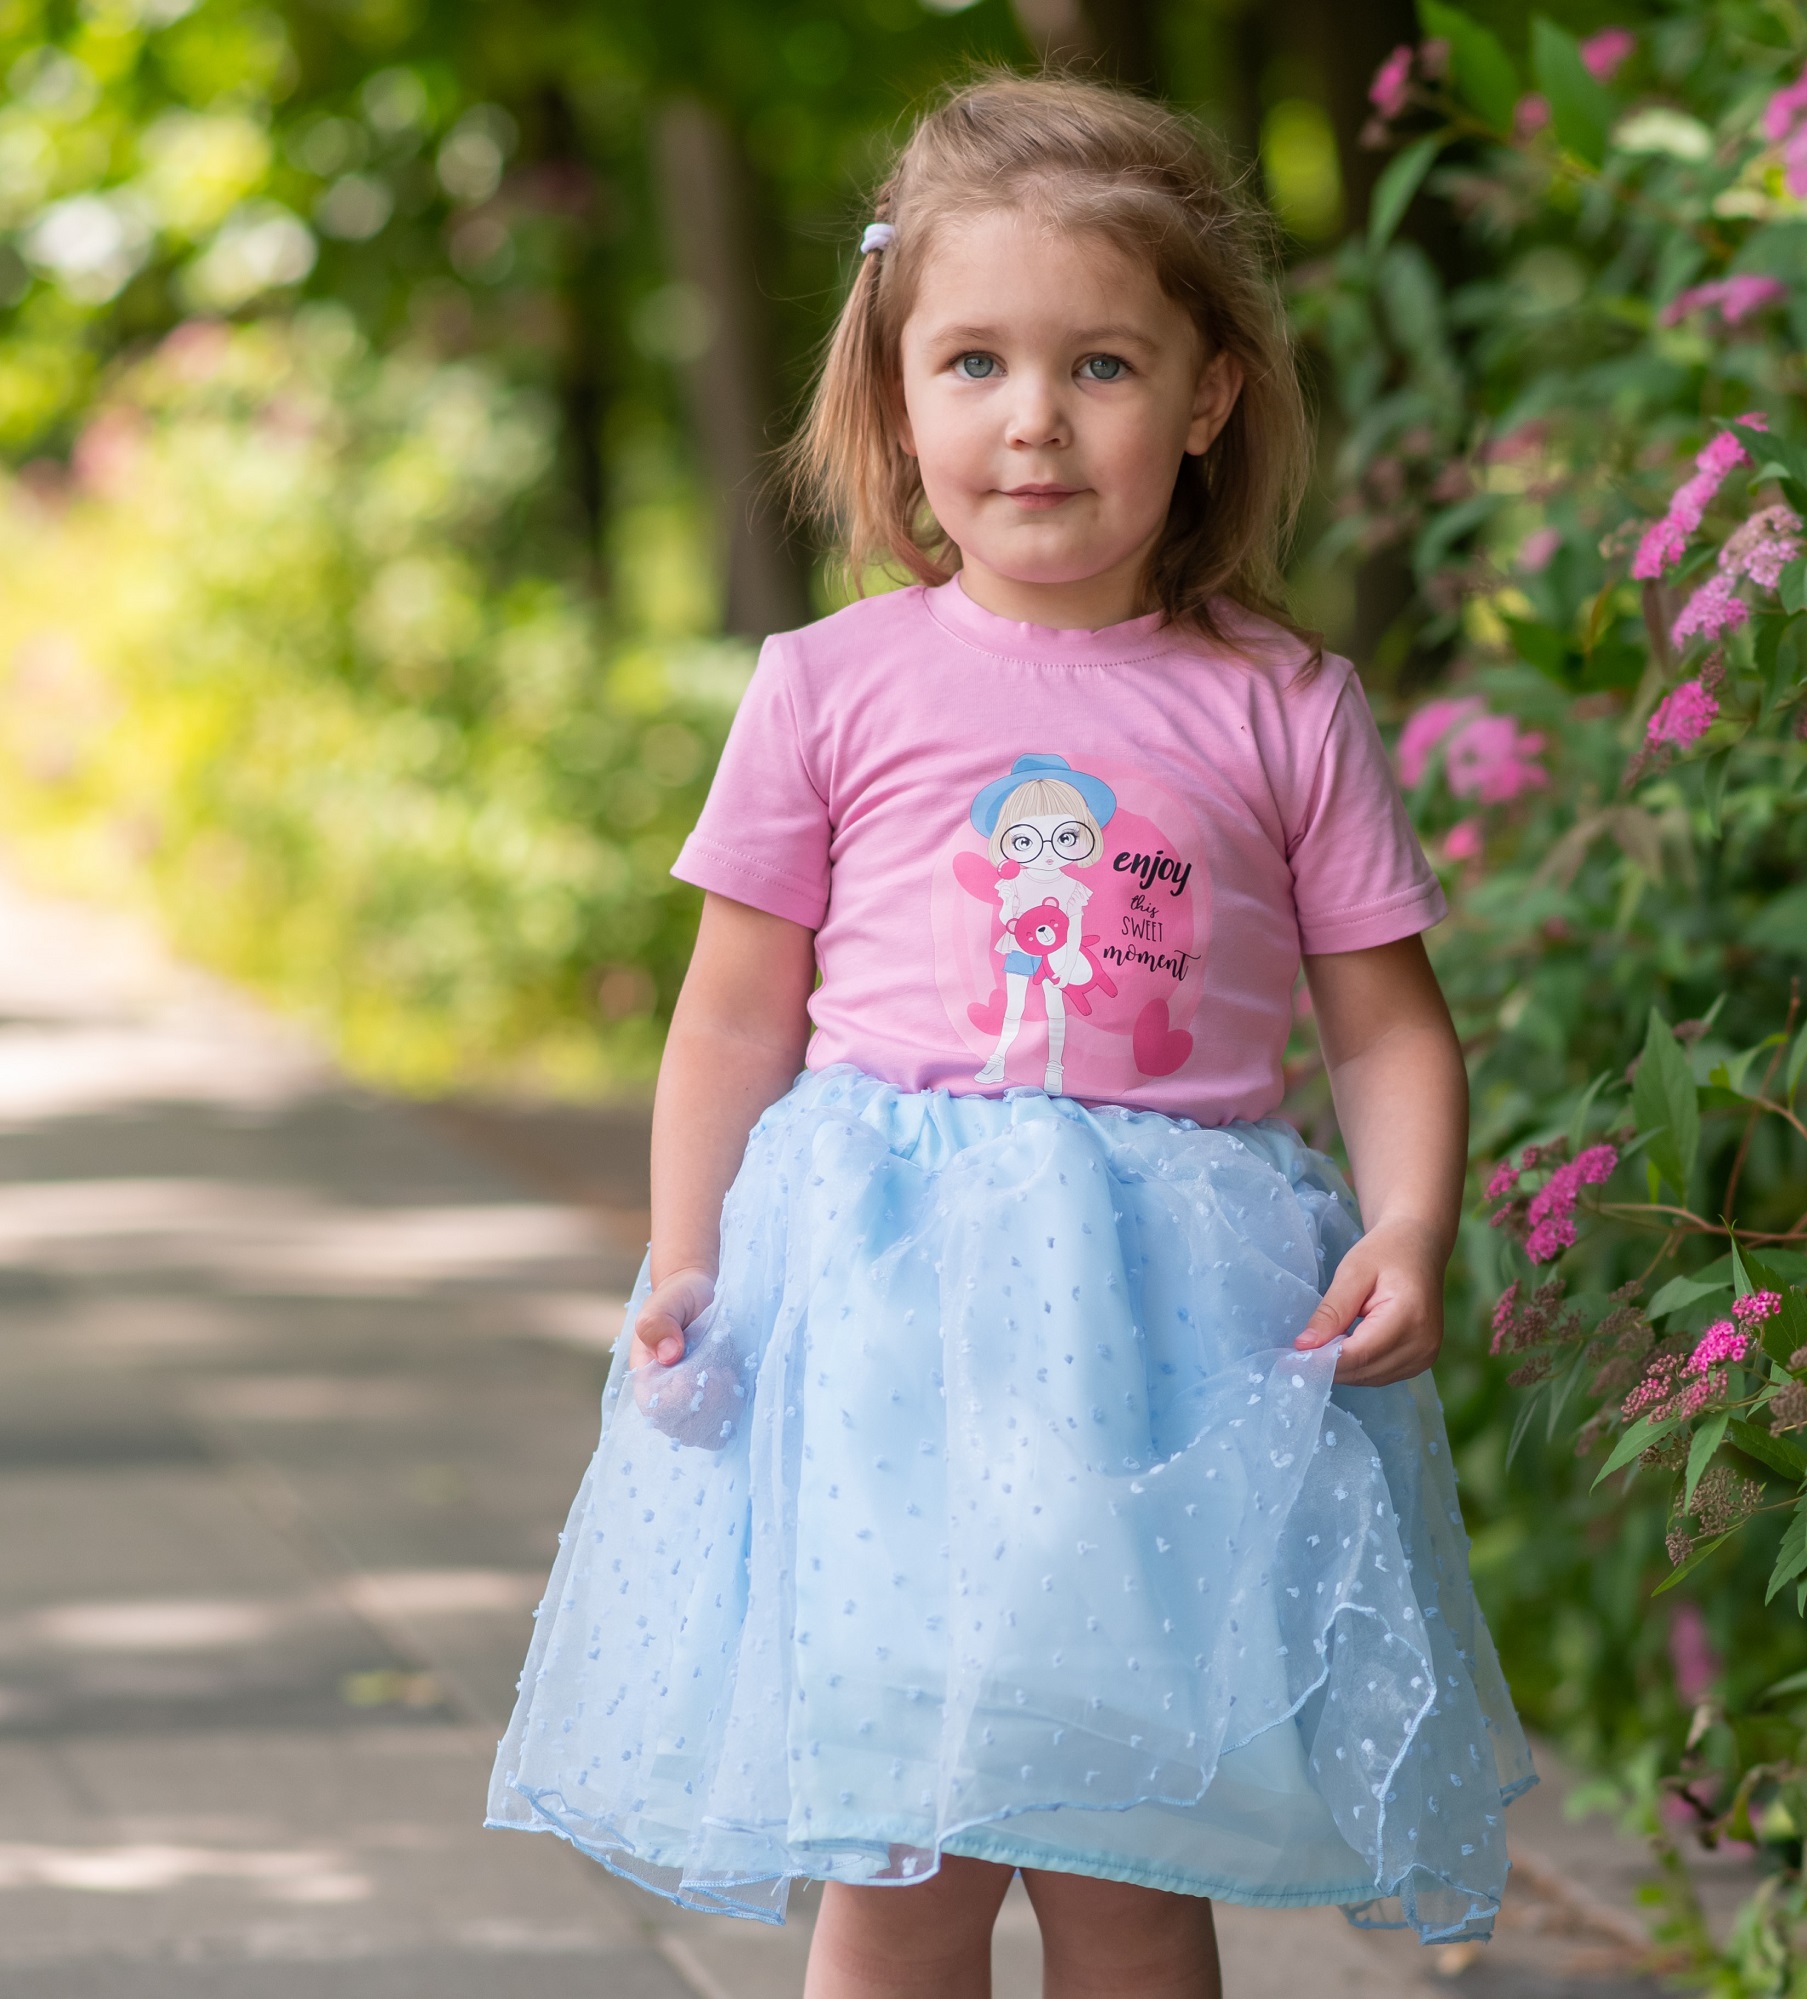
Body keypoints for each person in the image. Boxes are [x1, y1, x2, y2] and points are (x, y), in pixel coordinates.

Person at [488, 72, 1530, 1999]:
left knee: (1129, 1865)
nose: (1032, 417)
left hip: (1167, 1355)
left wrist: (1407, 1225)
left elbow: (1386, 1029)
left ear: (1208, 398)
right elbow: (735, 1010)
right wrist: (691, 1253)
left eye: (1101, 365)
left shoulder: (1279, 706)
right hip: (884, 1344)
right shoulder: (829, 688)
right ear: (899, 397)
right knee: (905, 1863)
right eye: (972, 362)